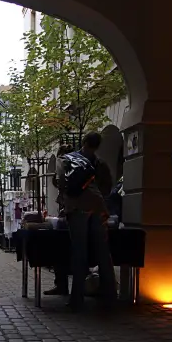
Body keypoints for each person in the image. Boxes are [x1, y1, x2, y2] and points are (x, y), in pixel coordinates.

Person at [57, 132, 116, 310]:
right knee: (103, 251)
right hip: (97, 207)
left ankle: (77, 298)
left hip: (77, 208)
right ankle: (109, 295)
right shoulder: (101, 164)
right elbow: (108, 187)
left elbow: (60, 183)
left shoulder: (68, 160)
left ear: (83, 142)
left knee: (79, 251)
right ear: (98, 145)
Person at [46, 145, 74, 297]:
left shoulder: (63, 164)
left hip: (71, 211)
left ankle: (62, 285)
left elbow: (58, 182)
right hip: (85, 211)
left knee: (61, 248)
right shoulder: (83, 164)